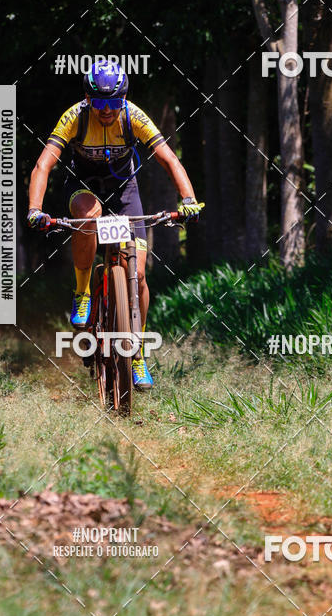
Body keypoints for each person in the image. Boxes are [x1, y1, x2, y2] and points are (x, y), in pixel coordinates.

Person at [26, 60, 203, 390]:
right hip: (82, 185)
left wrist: (188, 200)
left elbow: (169, 159)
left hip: (124, 189)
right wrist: (35, 209)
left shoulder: (132, 116)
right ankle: (83, 292)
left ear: (123, 99)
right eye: (100, 103)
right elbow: (43, 164)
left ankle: (136, 355)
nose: (107, 111)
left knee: (137, 274)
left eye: (114, 103)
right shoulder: (74, 117)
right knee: (87, 213)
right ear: (87, 99)